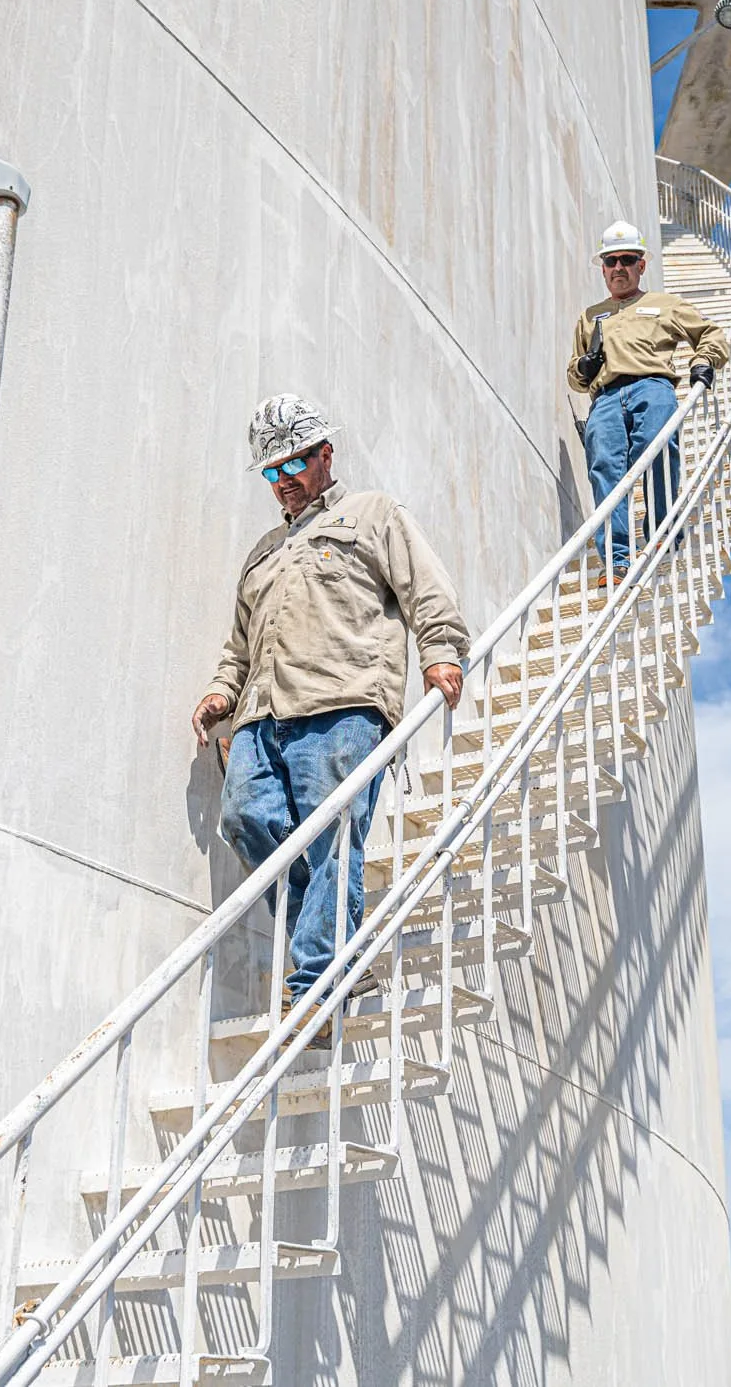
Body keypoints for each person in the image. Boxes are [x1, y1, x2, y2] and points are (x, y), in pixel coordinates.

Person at [191, 394, 469, 1025]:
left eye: (294, 463)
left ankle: (318, 987)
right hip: (263, 716)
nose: (283, 479)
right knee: (244, 818)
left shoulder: (373, 516)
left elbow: (426, 587)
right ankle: (340, 951)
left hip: (344, 707)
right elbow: (239, 642)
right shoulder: (263, 552)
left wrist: (442, 651)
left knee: (331, 838)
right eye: (271, 471)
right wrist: (221, 691)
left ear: (325, 455)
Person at [566, 220, 730, 581]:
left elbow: (711, 335)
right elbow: (575, 378)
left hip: (652, 386)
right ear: (604, 269)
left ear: (641, 265)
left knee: (656, 453)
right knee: (605, 469)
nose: (619, 268)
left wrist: (703, 361)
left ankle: (660, 531)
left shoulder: (664, 305)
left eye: (627, 259)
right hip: (606, 398)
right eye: (611, 261)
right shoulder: (590, 317)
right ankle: (617, 558)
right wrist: (584, 366)